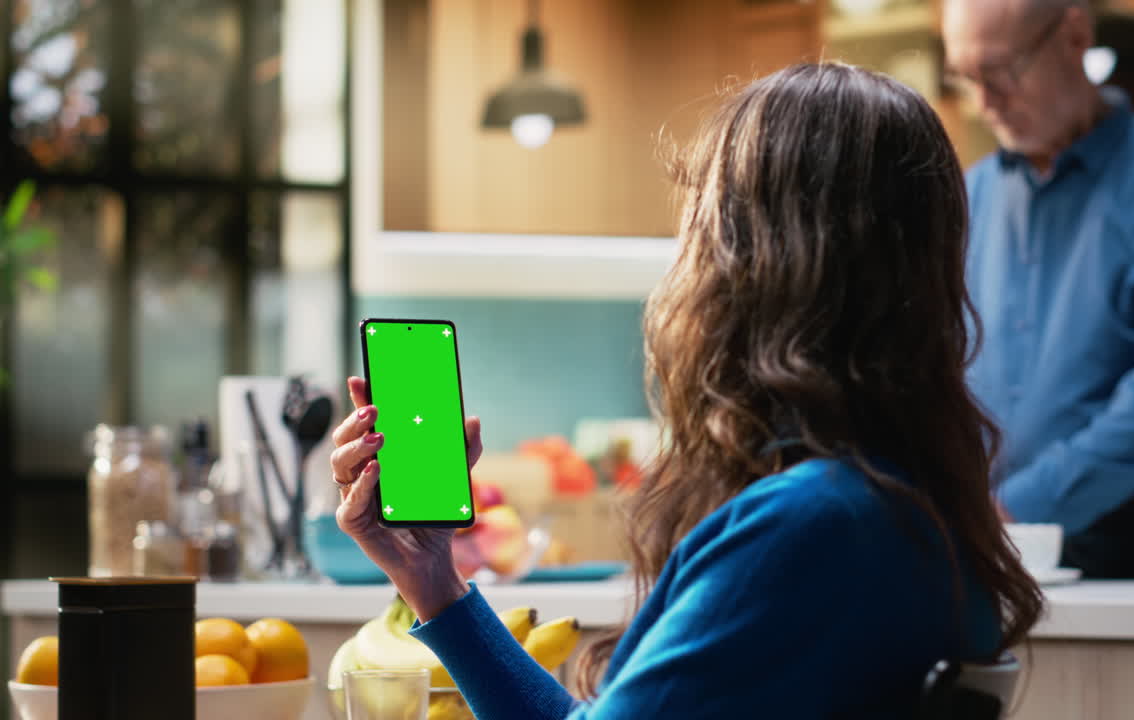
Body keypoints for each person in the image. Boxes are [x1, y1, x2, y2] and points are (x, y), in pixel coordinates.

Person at [331, 63, 1043, 718]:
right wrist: (433, 579)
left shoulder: (812, 528)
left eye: (699, 226)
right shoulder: (908, 510)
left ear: (751, 265)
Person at [942, 0, 1134, 578]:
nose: (984, 103)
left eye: (1001, 72)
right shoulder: (965, 199)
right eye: (966, 78)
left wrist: (1010, 508)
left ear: (1074, 35)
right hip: (979, 544)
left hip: (1126, 546)